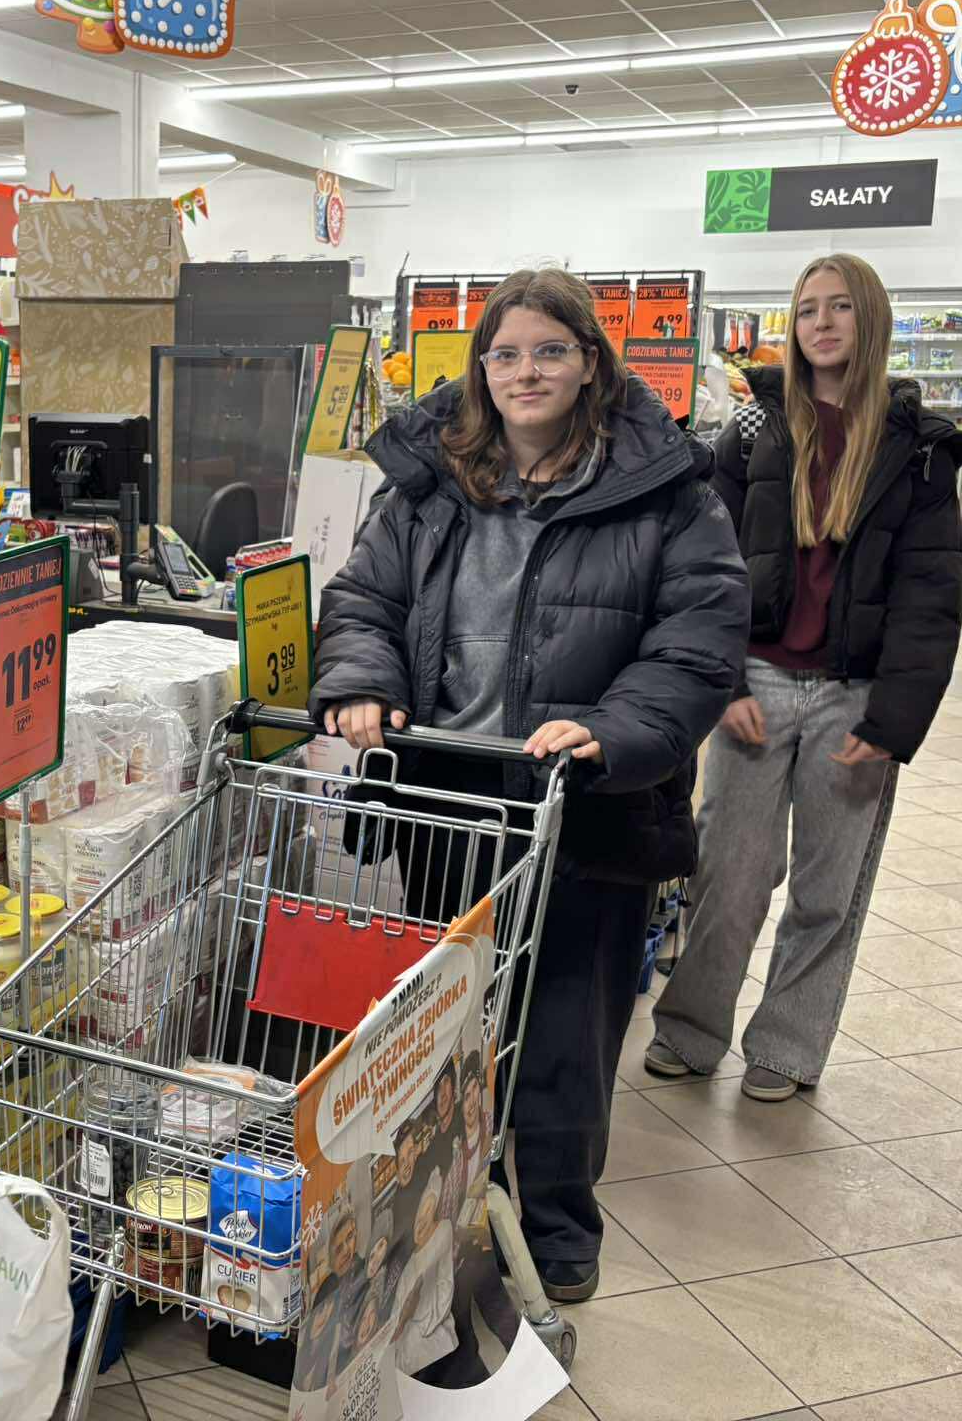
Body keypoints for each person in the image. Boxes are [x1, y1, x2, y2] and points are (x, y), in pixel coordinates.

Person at [311, 266, 747, 1310]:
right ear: (480, 369)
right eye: (504, 354)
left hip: (582, 804)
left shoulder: (665, 490)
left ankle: (553, 1230)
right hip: (447, 797)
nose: (526, 372)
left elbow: (698, 638)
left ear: (590, 362)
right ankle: (448, 1205)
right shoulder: (428, 481)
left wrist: (610, 731)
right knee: (452, 1021)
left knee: (564, 1033)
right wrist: (363, 680)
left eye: (550, 350)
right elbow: (362, 598)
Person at [649, 253, 962, 1101]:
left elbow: (930, 597)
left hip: (855, 698)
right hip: (757, 681)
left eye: (839, 308)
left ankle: (787, 1049)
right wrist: (723, 683)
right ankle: (689, 1029)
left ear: (871, 320)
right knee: (729, 875)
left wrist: (893, 721)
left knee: (828, 890)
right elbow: (706, 567)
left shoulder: (921, 452)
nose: (821, 324)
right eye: (806, 310)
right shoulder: (752, 429)